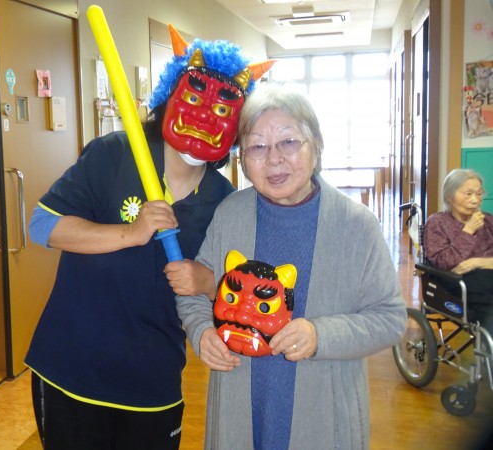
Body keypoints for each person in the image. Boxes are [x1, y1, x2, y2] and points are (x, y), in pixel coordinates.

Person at [24, 25, 273, 449]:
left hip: (152, 382)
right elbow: (41, 226)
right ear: (169, 97)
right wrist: (131, 232)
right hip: (71, 370)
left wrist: (207, 281)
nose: (204, 116)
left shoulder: (224, 202)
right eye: (193, 98)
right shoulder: (113, 154)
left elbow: (239, 291)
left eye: (222, 109)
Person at [175, 82, 407, 450]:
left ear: (316, 144)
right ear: (243, 159)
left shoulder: (355, 225)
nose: (274, 159)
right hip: (239, 405)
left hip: (323, 414)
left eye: (288, 141)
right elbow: (196, 290)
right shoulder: (231, 214)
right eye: (257, 147)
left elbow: (390, 319)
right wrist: (202, 332)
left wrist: (320, 335)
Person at [423, 168, 493, 334]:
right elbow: (444, 262)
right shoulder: (437, 222)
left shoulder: (488, 220)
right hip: (455, 282)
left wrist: (477, 262)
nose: (475, 200)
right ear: (449, 195)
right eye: (468, 194)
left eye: (478, 194)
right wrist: (468, 231)